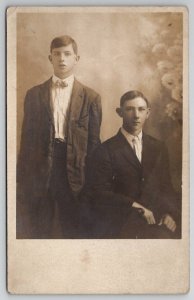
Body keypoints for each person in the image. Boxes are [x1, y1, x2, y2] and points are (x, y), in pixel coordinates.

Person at [17, 35, 102, 238]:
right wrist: (21, 179)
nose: (62, 59)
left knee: (73, 227)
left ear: (76, 58)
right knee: (39, 227)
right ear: (50, 58)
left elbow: (93, 143)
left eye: (67, 54)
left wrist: (94, 181)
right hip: (41, 169)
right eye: (57, 54)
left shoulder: (91, 97)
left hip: (75, 170)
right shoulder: (34, 94)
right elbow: (26, 140)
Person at [81, 90, 180, 239]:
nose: (136, 115)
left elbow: (166, 188)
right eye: (129, 109)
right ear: (120, 112)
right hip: (120, 225)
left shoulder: (158, 147)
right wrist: (134, 206)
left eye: (141, 109)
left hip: (155, 224)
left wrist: (169, 213)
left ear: (148, 112)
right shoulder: (105, 150)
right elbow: (99, 193)